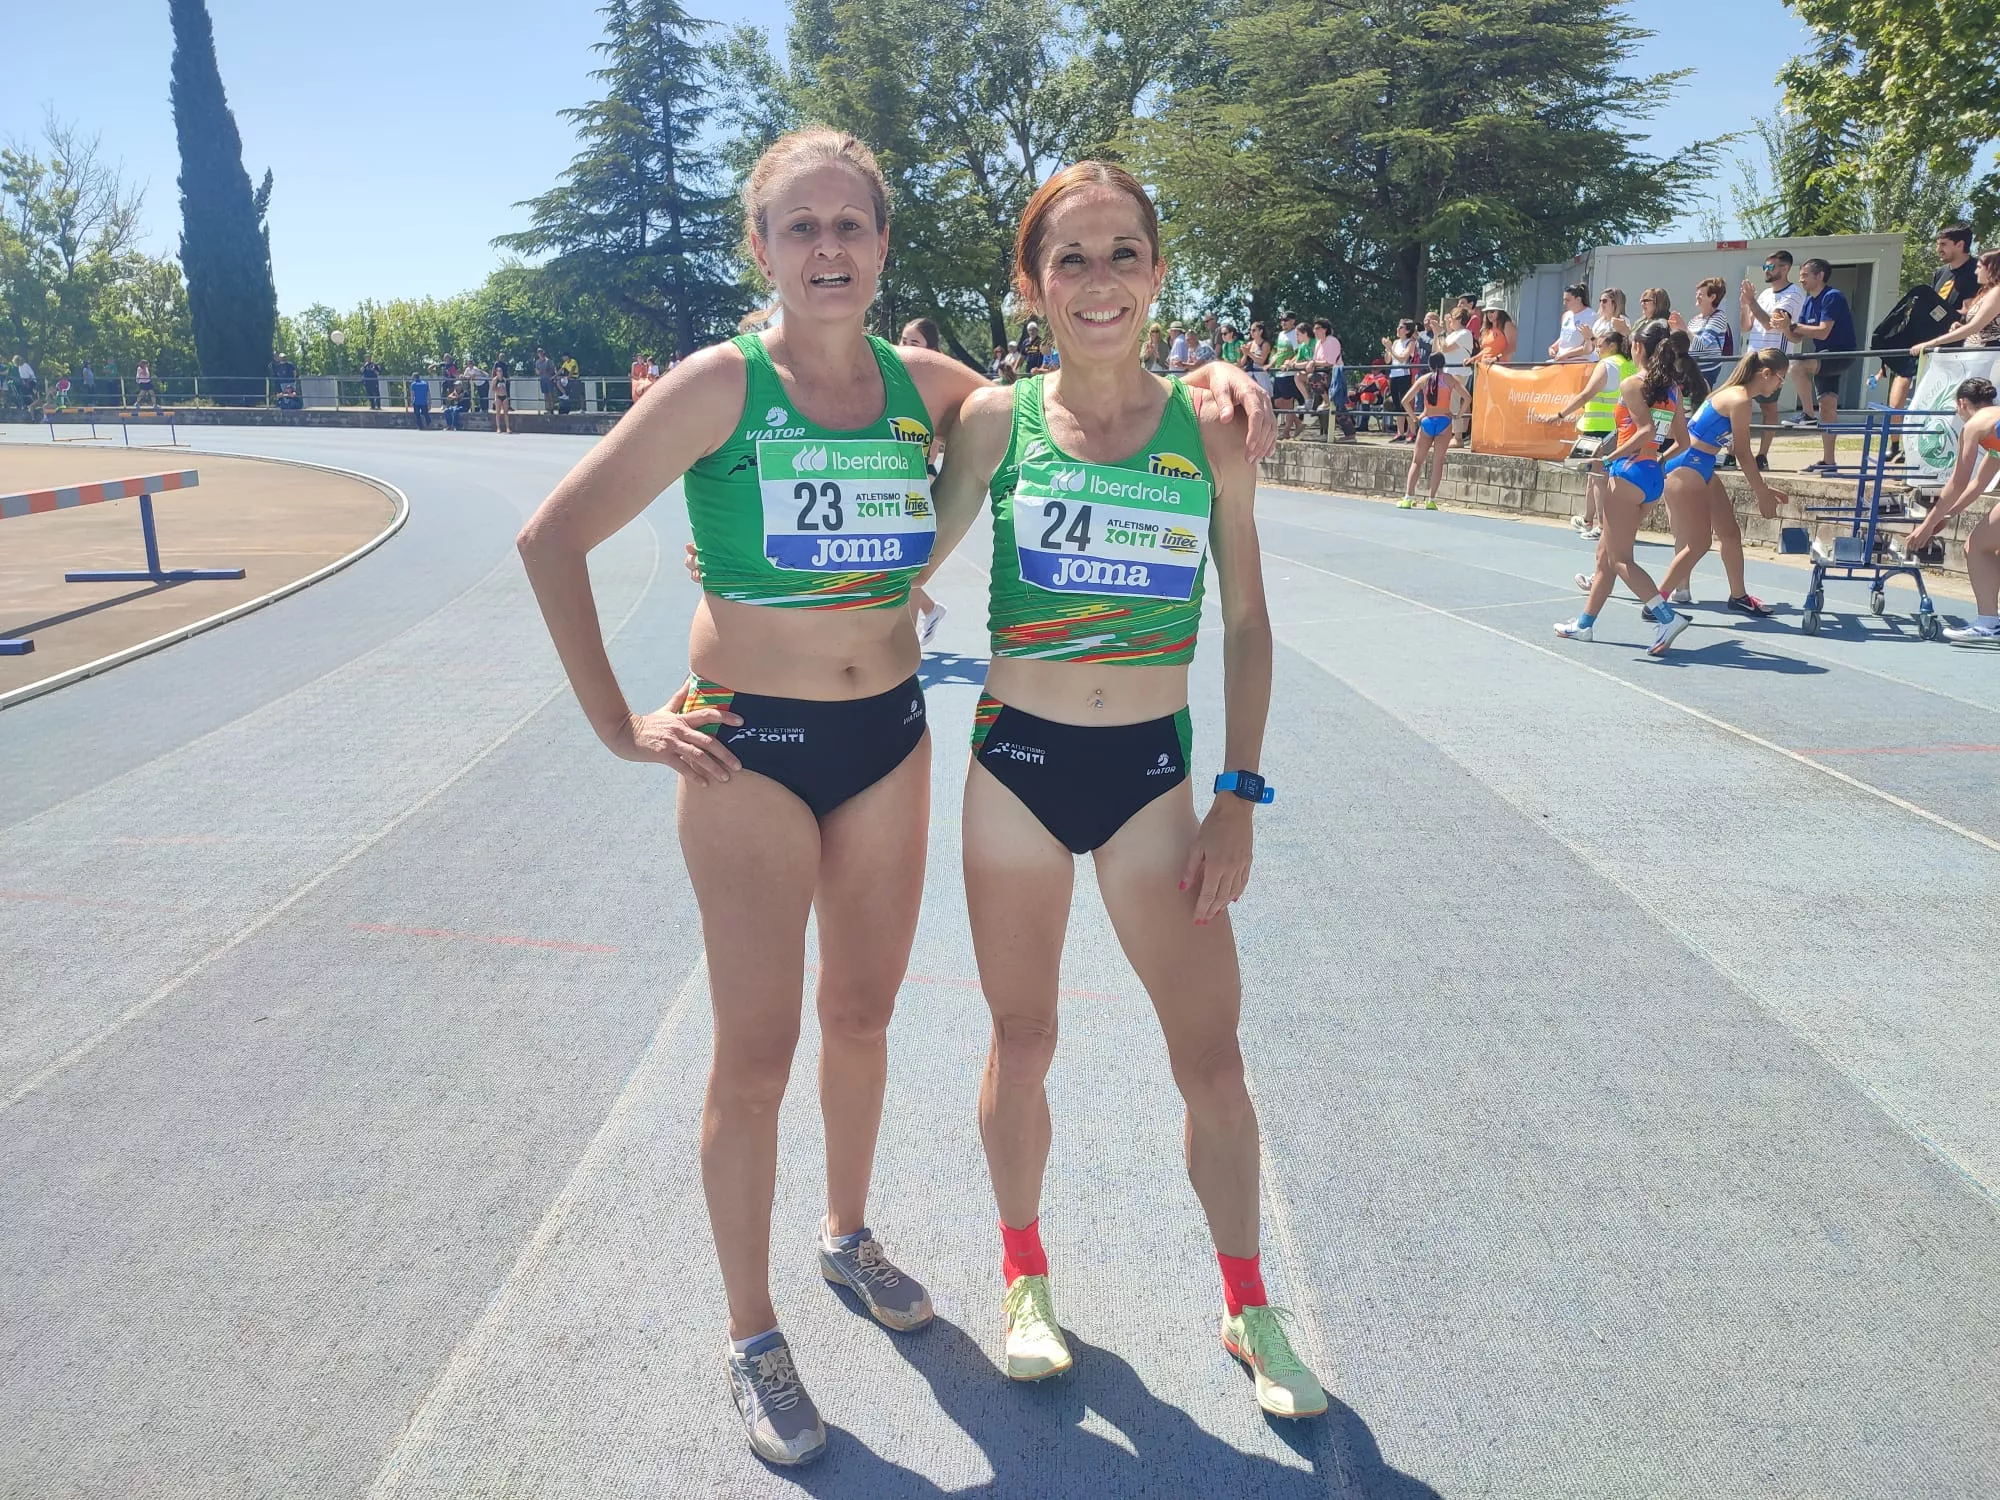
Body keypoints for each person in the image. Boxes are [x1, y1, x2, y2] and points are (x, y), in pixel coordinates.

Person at [562, 128, 1274, 1468]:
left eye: (852, 228)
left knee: (865, 1014)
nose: (828, 250)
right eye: (800, 229)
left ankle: (845, 1240)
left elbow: (1091, 373)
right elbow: (554, 536)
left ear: (884, 248)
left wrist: (1220, 374)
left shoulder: (929, 386)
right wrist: (619, 724)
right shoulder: (721, 387)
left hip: (887, 735)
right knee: (760, 1051)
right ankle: (753, 1335)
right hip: (748, 748)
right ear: (759, 247)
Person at [917, 157, 1325, 1422]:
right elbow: (904, 559)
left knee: (1210, 1057)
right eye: (1070, 259)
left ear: (1158, 271)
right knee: (1022, 1038)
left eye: (1123, 254)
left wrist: (1238, 794)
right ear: (1031, 285)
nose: (1099, 282)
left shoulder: (1211, 426)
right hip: (1018, 773)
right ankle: (1024, 1277)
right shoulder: (994, 420)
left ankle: (1247, 1303)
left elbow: (1248, 621)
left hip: (1154, 781)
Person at [1552, 319, 1702, 655]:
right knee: (1605, 556)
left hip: (1627, 474)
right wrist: (1659, 462)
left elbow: (1645, 430)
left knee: (1621, 560)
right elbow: (1684, 440)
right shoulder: (1672, 389)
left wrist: (1609, 457)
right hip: (1651, 478)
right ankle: (1584, 625)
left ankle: (1666, 616)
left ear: (1637, 348)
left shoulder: (1633, 384)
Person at [1655, 348, 1792, 614]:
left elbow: (1729, 444)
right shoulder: (1739, 399)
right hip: (1687, 466)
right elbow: (1743, 452)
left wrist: (1762, 488)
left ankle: (1738, 596)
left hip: (1700, 465)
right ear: (1765, 374)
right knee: (1699, 542)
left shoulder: (1734, 396)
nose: (1780, 385)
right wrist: (1761, 493)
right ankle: (1656, 601)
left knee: (1729, 533)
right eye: (1780, 378)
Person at [1902, 377, 2000, 644]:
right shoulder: (1994, 424)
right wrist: (1945, 515)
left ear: (1962, 403)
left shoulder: (1973, 426)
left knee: (1976, 546)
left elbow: (1957, 483)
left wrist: (1925, 526)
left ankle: (1989, 622)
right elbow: (1979, 483)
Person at [1540, 327, 1633, 538]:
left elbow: (1586, 394)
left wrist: (1561, 414)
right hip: (1618, 427)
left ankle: (1602, 525)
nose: (1597, 350)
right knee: (1595, 476)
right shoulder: (1629, 365)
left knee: (1599, 477)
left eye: (1600, 346)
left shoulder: (1607, 364)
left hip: (1599, 427)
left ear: (1612, 346)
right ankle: (1589, 519)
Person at [1788, 258, 1858, 474]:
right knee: (1828, 407)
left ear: (1820, 275)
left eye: (1805, 275)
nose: (1801, 279)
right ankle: (1829, 462)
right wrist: (1784, 327)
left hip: (1840, 354)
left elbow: (1823, 331)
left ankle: (1808, 415)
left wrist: (1793, 325)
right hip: (1823, 356)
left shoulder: (1832, 296)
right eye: (1800, 275)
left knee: (1797, 367)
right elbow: (1796, 337)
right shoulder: (1808, 301)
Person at [1739, 250, 1806, 467]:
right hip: (1751, 356)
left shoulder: (1793, 293)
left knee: (1769, 408)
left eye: (1771, 267)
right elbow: (1746, 326)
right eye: (1765, 267)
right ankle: (1735, 452)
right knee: (1739, 404)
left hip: (1773, 358)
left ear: (1784, 269)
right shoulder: (1765, 294)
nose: (1766, 271)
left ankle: (1762, 456)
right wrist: (1745, 304)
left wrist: (1751, 302)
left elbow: (1771, 323)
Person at [1398, 352, 1468, 509]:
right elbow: (1467, 397)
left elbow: (1405, 401)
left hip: (1427, 421)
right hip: (1444, 421)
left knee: (1417, 461)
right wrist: (1458, 415)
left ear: (1429, 364)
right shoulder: (1450, 379)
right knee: (1438, 462)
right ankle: (1431, 500)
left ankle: (1408, 497)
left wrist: (1415, 418)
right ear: (1444, 364)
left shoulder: (1424, 379)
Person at [1910, 251, 2000, 356]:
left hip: (1989, 356)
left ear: (1992, 269)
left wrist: (1931, 343)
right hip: (1977, 355)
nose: (1976, 272)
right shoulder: (1989, 291)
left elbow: (1975, 327)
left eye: (1979, 267)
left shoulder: (1997, 292)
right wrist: (1962, 326)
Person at [1678, 277, 1736, 389]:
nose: (1697, 297)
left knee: (1698, 404)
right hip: (1689, 371)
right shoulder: (1695, 320)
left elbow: (1700, 346)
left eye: (1700, 294)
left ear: (1712, 297)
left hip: (1704, 373)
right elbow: (1687, 344)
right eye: (1697, 293)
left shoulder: (1719, 317)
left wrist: (1684, 329)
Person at [1385, 318, 1419, 441]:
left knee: (1406, 403)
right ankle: (1400, 432)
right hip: (1393, 375)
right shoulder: (1395, 342)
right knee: (1397, 405)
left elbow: (1403, 358)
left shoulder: (1410, 342)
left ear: (1407, 330)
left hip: (1404, 375)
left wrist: (1391, 349)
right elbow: (1388, 360)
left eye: (1401, 327)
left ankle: (1412, 431)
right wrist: (1388, 349)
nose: (1398, 330)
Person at [1549, 284, 1595, 363]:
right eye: (1564, 300)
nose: (1564, 303)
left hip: (1579, 361)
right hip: (1561, 359)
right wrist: (1553, 347)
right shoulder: (1566, 315)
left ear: (1578, 299)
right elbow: (1565, 336)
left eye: (1568, 300)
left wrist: (1565, 355)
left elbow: (1589, 345)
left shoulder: (1591, 316)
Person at [491, 356, 513, 434]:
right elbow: (493, 389)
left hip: (504, 396)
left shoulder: (504, 379)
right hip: (498, 396)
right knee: (498, 413)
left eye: (501, 371)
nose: (500, 372)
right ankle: (498, 428)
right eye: (498, 371)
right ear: (496, 372)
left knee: (506, 413)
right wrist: (497, 389)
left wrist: (506, 396)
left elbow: (507, 389)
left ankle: (508, 428)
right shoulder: (495, 380)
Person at [535, 347, 557, 413]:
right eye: (538, 352)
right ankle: (547, 408)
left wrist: (546, 372)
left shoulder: (548, 361)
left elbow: (553, 370)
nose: (540, 353)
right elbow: (536, 371)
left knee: (550, 394)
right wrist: (538, 372)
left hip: (549, 379)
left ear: (543, 352)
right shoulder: (537, 362)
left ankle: (552, 408)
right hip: (542, 379)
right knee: (545, 394)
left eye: (541, 351)